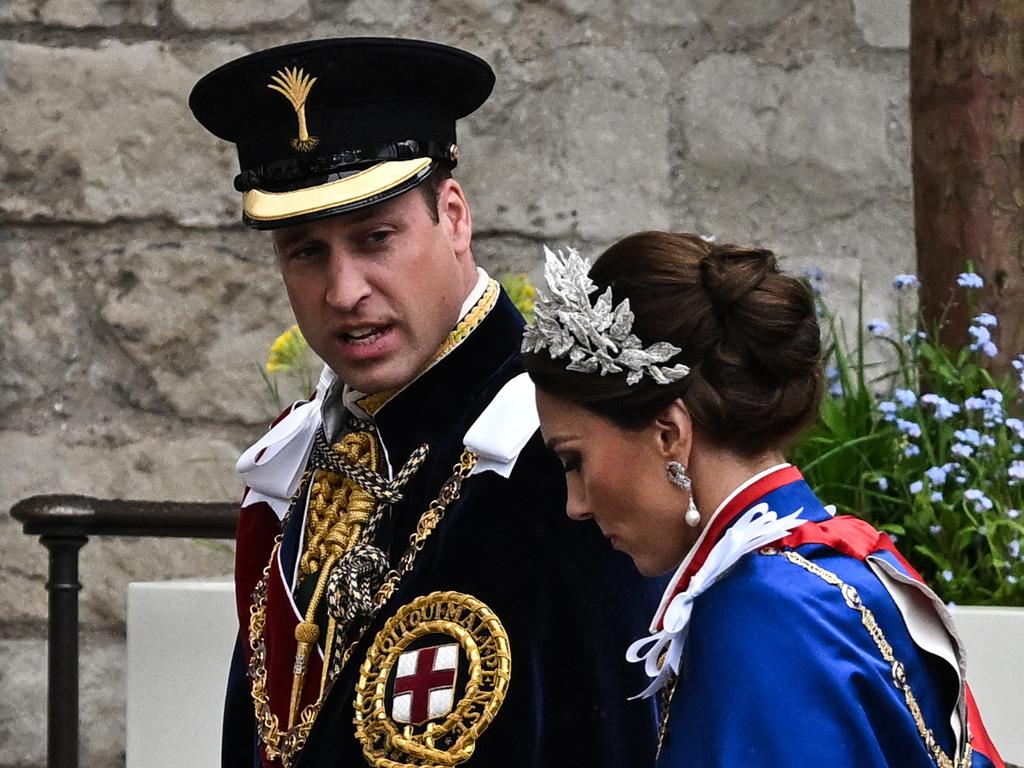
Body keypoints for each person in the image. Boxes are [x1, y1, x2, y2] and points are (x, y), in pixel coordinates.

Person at [189, 39, 662, 768]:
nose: (343, 292)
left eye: (376, 238)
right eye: (306, 252)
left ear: (454, 215)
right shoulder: (312, 445)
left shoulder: (560, 451)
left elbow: (614, 739)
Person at [522, 232, 1006, 768]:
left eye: (573, 461)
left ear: (668, 434)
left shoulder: (759, 615)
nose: (576, 504)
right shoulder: (832, 562)